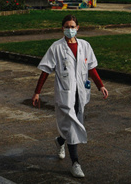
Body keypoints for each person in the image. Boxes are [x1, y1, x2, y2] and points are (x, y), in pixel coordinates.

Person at [32, 14, 108, 179]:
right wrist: (37, 92)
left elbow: (91, 69)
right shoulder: (56, 47)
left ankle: (60, 141)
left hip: (80, 94)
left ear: (78, 28)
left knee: (73, 124)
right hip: (65, 94)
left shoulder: (85, 46)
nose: (70, 29)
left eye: (73, 26)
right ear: (62, 28)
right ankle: (75, 163)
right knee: (73, 128)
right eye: (67, 26)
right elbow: (45, 70)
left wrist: (100, 85)